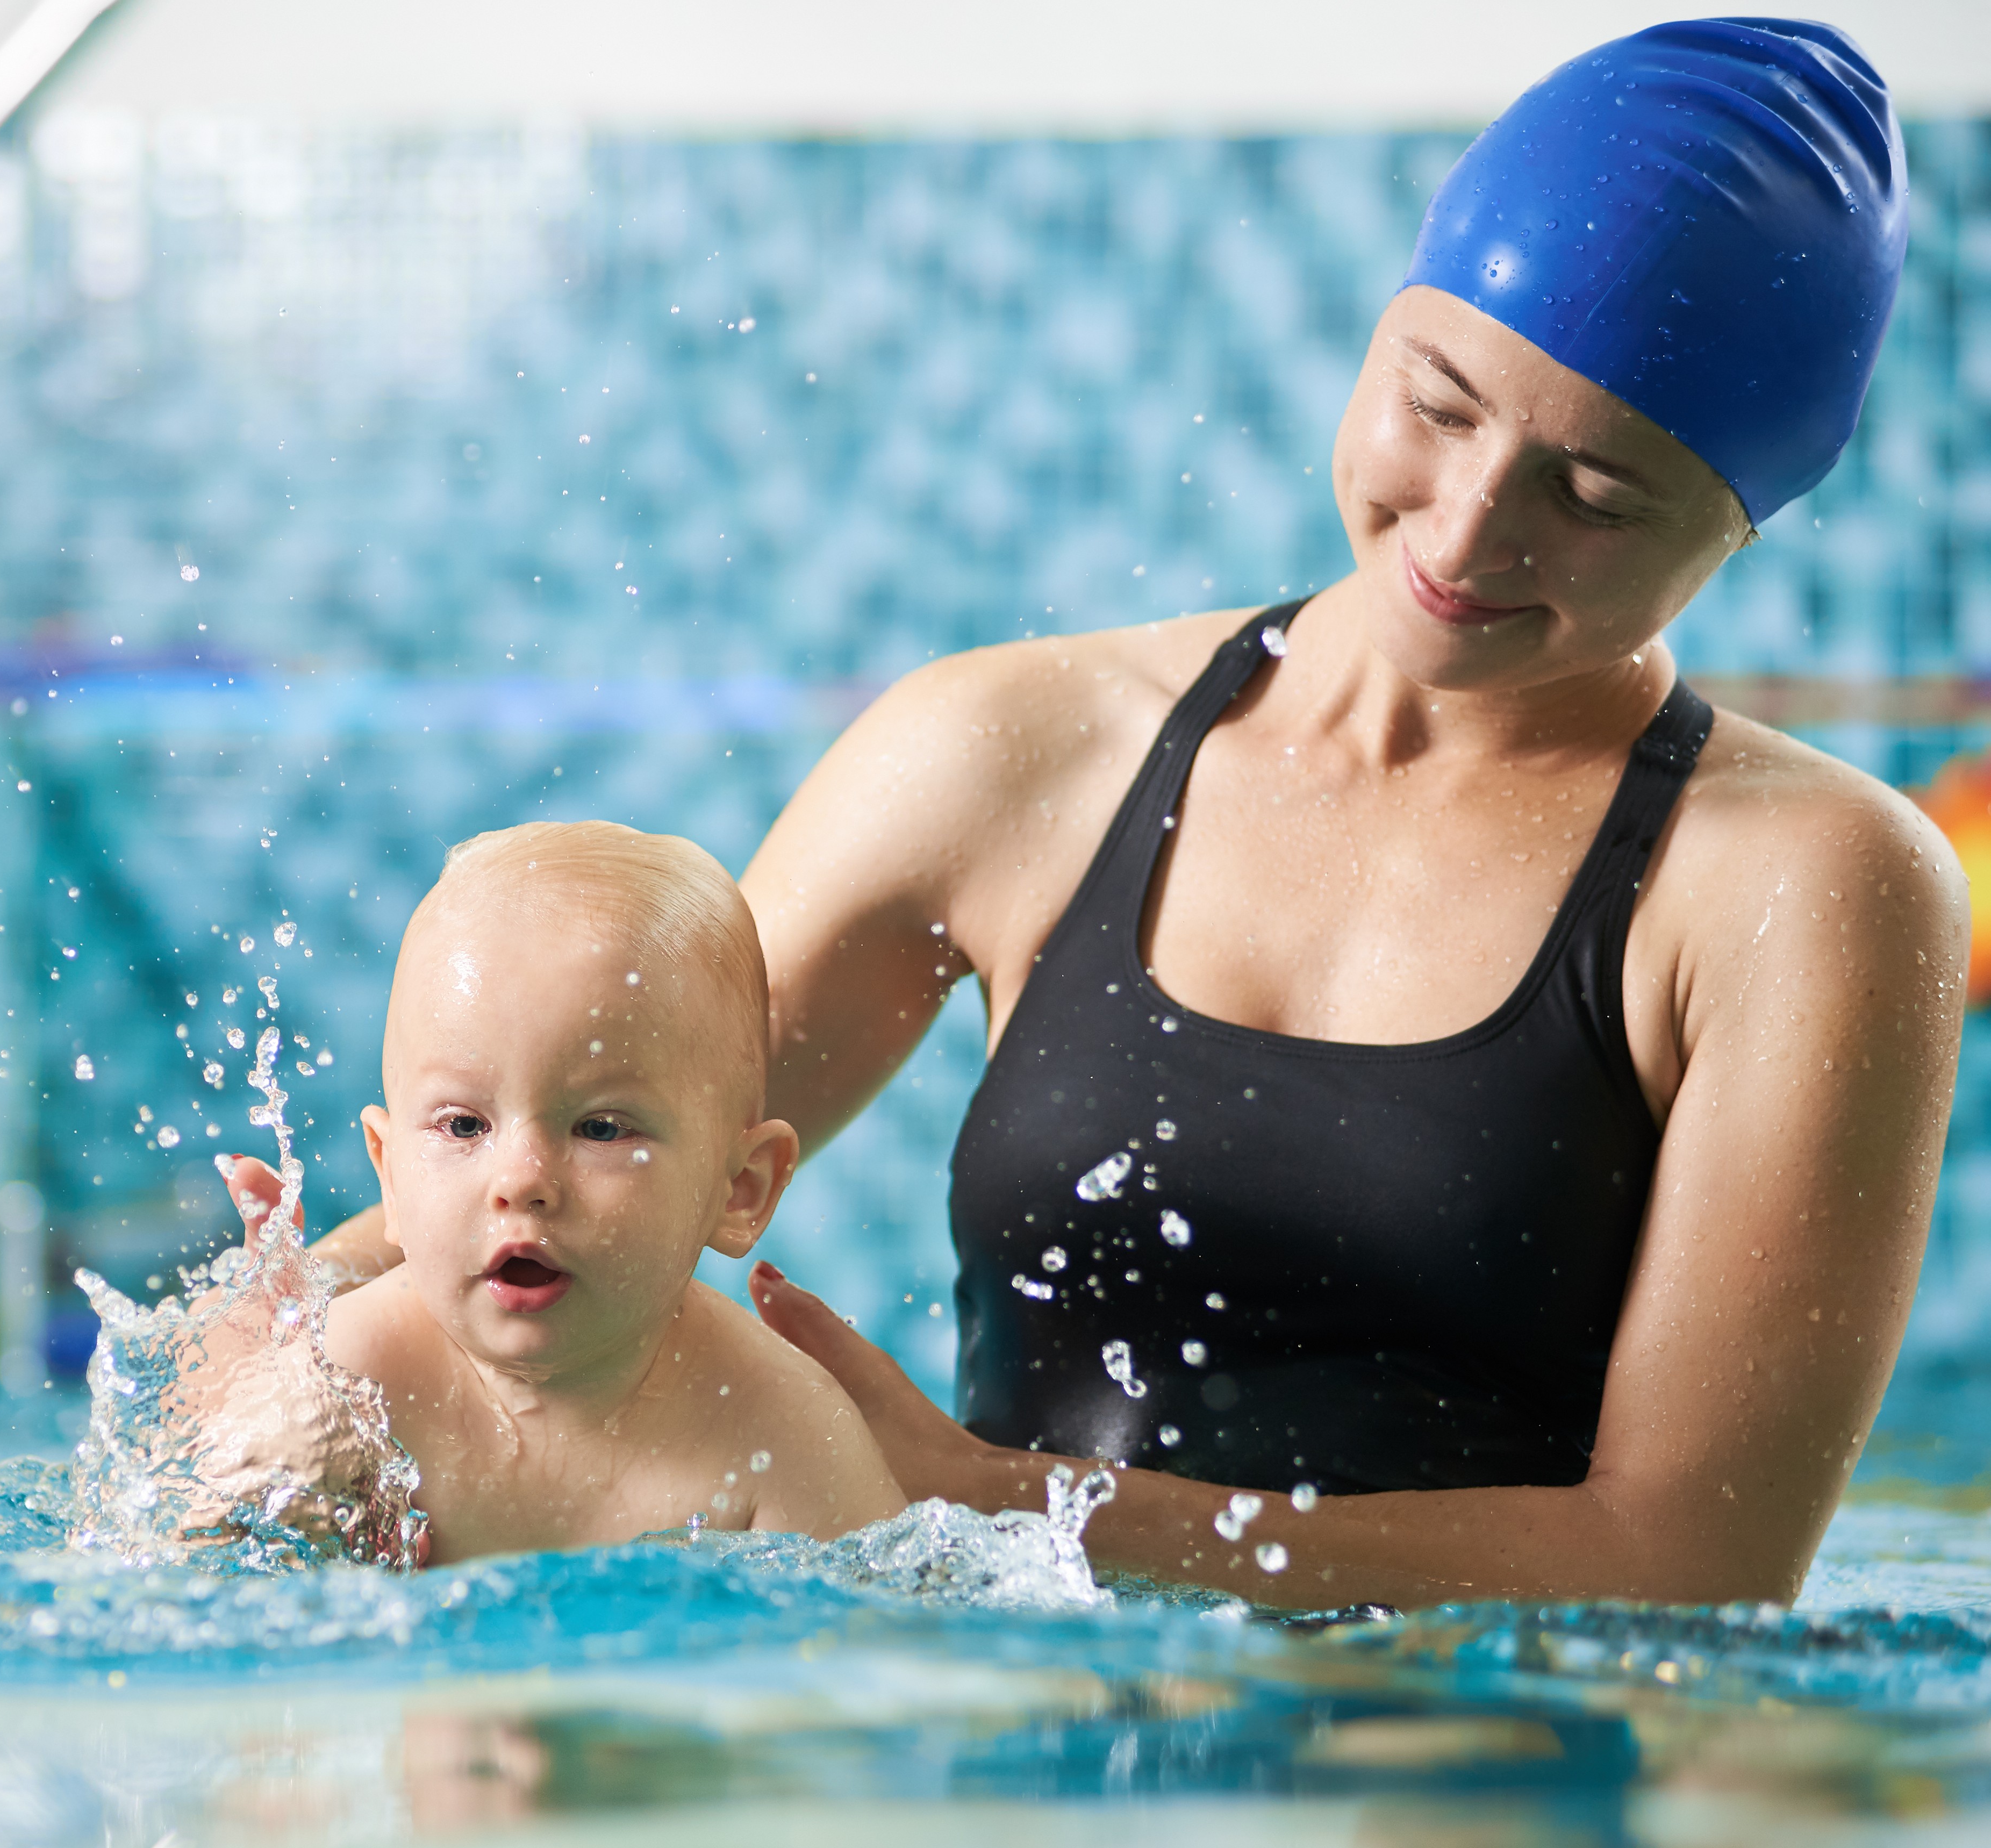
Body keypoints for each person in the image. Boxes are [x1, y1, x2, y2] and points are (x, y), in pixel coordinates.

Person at [727, 19, 1965, 1608]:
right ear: (1376, 334)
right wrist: (319, 1319)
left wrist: (993, 1502)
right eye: (1437, 405)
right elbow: (575, 1151)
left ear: (1739, 522)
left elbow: (1690, 1564)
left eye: (1592, 498)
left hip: (1466, 1808)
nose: (1463, 530)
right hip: (1020, 1783)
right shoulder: (1016, 746)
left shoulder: (1806, 887)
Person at [213, 820, 903, 1565]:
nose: (522, 1180)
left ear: (740, 1188)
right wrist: (253, 1451)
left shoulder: (783, 1433)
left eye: (601, 1128)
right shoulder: (347, 1383)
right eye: (465, 1124)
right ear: (390, 1173)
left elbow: (874, 1657)